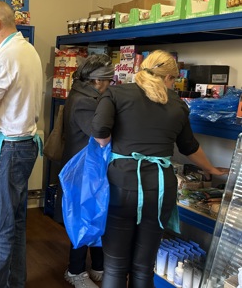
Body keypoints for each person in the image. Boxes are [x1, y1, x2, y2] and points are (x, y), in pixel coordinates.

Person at [91, 50, 230, 288]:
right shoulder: (177, 104)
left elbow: (100, 130)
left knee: (114, 266)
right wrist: (211, 169)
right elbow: (189, 147)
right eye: (173, 79)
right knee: (143, 268)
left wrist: (106, 143)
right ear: (167, 77)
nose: (173, 84)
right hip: (160, 189)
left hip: (121, 185)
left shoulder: (116, 93)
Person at [0, 1, 43, 288]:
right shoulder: (29, 51)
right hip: (26, 144)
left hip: (9, 149)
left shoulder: (2, 57)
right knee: (15, 224)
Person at [54, 54, 114, 288]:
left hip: (90, 168)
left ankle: (98, 265)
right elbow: (101, 136)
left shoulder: (82, 95)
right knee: (83, 218)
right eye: (108, 81)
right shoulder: (85, 102)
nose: (110, 86)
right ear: (98, 81)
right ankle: (75, 270)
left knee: (98, 215)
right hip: (82, 169)